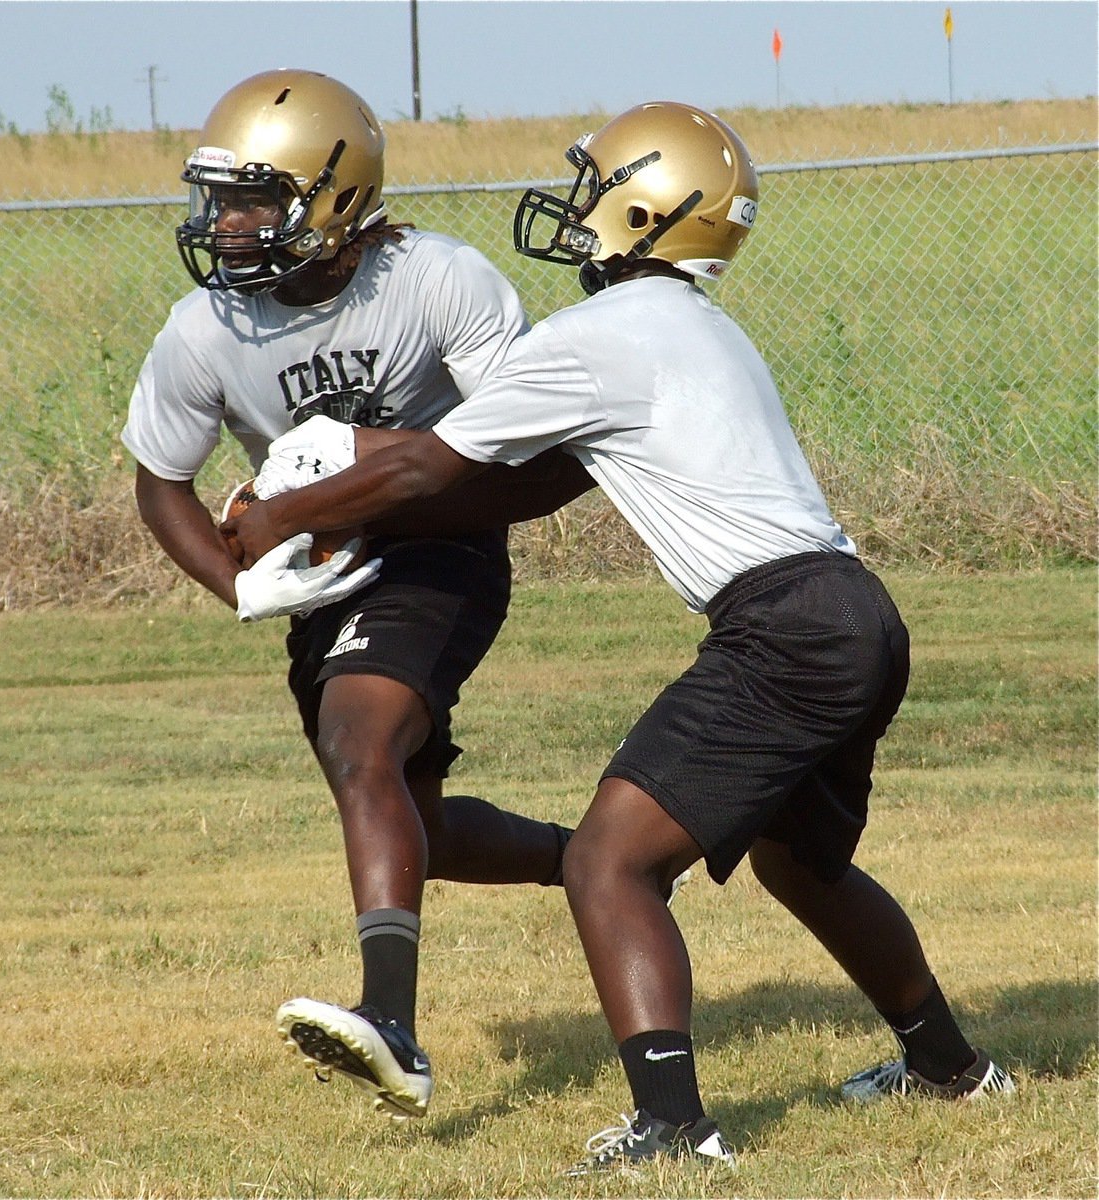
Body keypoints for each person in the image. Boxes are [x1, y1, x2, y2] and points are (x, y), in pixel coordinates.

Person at [225, 101, 1016, 1172]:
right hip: (854, 613)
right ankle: (949, 1072)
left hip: (780, 626)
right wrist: (367, 496)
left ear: (648, 207)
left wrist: (285, 511)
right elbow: (531, 483)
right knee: (798, 864)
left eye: (594, 186)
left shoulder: (600, 334)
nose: (576, 205)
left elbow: (432, 466)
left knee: (608, 862)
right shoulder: (694, 329)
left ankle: (673, 1131)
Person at [120, 69, 599, 1122]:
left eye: (254, 197)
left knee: (358, 744)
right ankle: (595, 864)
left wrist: (361, 487)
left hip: (439, 550)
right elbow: (160, 482)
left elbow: (532, 452)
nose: (226, 223)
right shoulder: (204, 326)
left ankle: (392, 1024)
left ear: (334, 195)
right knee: (404, 814)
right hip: (316, 579)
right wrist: (239, 582)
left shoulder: (434, 281)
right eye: (218, 197)